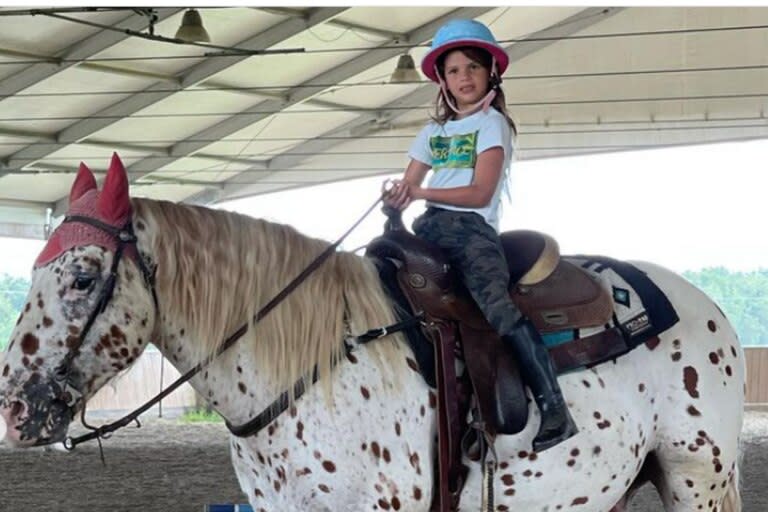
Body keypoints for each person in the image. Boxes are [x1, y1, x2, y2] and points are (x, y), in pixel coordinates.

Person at [383, 18, 577, 452]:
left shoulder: (493, 125)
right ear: (443, 81)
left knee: (497, 310)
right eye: (453, 71)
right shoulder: (431, 133)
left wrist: (420, 190)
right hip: (429, 226)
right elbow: (408, 183)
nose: (464, 77)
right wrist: (397, 197)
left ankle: (554, 408)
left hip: (472, 232)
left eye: (472, 67)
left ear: (491, 71)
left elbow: (479, 192)